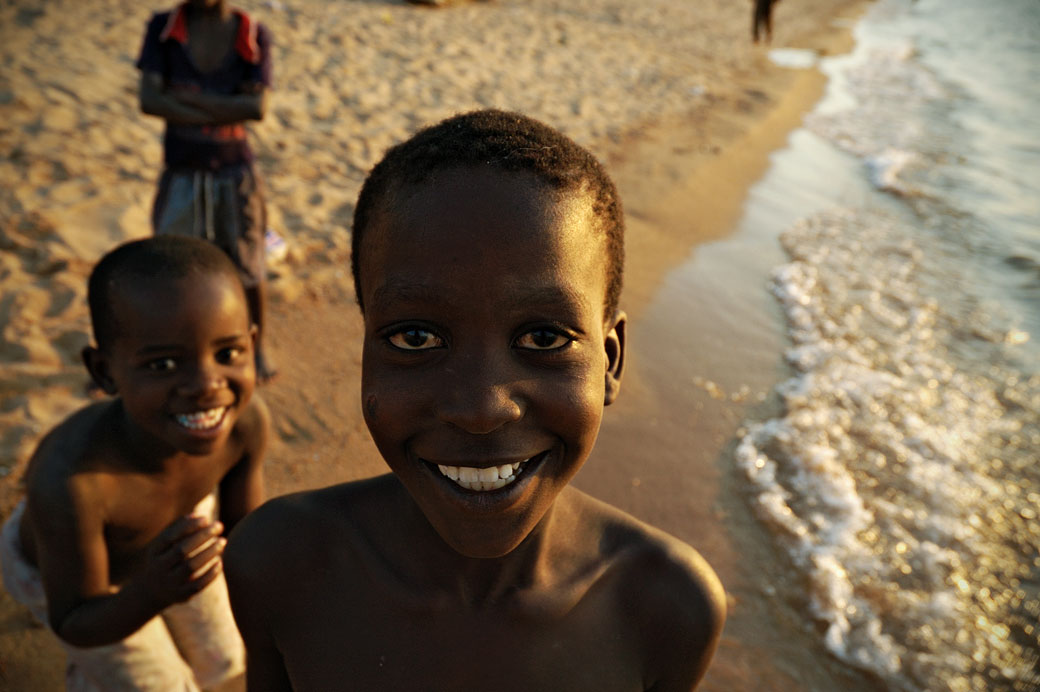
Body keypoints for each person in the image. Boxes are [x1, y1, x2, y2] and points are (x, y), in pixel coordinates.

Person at [225, 109, 726, 691]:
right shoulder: (280, 561)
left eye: (543, 338)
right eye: (416, 337)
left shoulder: (666, 606)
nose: (482, 409)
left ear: (610, 362)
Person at [0, 236, 269, 691]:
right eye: (163, 364)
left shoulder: (243, 425)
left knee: (223, 658)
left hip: (176, 547)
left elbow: (246, 532)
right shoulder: (72, 481)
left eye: (227, 354)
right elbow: (74, 618)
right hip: (74, 578)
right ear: (104, 371)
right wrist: (152, 592)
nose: (206, 384)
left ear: (252, 344)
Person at [136, 0, 277, 382]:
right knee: (175, 265)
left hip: (235, 174)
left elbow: (256, 108)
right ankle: (179, 350)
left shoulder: (251, 33)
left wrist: (184, 102)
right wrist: (224, 108)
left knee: (248, 264)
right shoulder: (164, 29)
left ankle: (257, 348)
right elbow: (149, 100)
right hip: (182, 172)